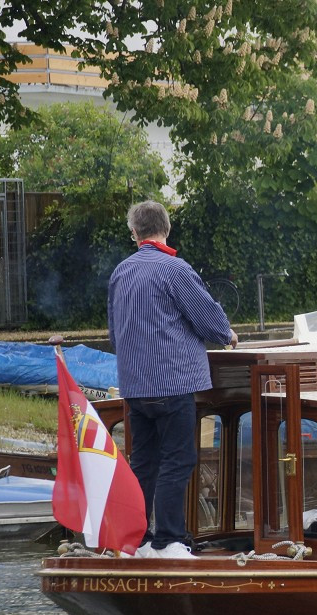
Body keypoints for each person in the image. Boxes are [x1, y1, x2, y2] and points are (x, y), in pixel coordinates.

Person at [108, 201, 237, 559]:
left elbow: (115, 334)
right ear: (167, 228)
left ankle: (138, 537)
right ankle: (168, 539)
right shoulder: (174, 269)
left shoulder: (121, 272)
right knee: (178, 460)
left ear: (135, 234)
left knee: (144, 463)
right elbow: (208, 319)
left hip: (135, 387)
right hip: (172, 384)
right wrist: (227, 334)